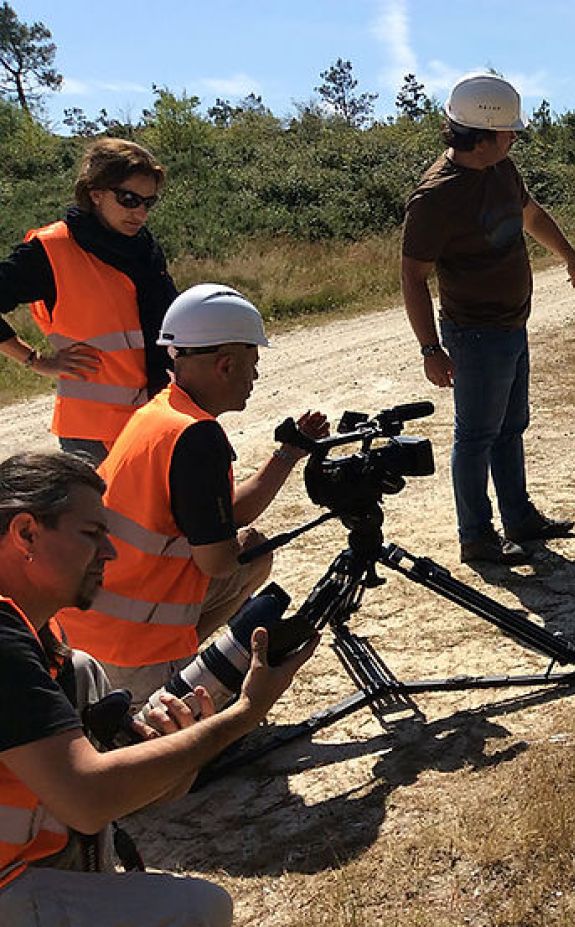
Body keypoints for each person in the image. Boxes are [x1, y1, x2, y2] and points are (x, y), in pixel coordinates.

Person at [0, 451, 317, 926]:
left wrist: (176, 747)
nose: (109, 552)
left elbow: (130, 799)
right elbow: (87, 799)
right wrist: (242, 715)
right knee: (195, 909)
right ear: (26, 533)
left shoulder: (53, 650)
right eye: (91, 534)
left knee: (85, 672)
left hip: (24, 860)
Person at [55, 284, 327, 705]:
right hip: (128, 651)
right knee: (214, 738)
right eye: (252, 365)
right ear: (225, 365)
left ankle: (177, 646)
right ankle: (166, 669)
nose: (255, 377)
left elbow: (223, 515)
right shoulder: (197, 438)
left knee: (254, 550)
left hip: (83, 632)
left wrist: (289, 454)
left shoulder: (160, 413)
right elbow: (216, 562)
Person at [401, 72, 575, 566]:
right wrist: (430, 348)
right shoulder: (434, 197)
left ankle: (520, 518)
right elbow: (413, 278)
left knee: (510, 428)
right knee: (477, 435)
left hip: (512, 325)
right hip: (474, 334)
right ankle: (477, 537)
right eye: (508, 131)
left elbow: (531, 215)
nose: (515, 137)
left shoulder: (502, 170)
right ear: (480, 137)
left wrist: (568, 254)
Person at [0, 139, 179, 464]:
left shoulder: (143, 249)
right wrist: (35, 360)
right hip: (94, 436)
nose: (140, 212)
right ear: (95, 193)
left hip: (157, 414)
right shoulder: (51, 251)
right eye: (129, 199)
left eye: (148, 203)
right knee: (104, 516)